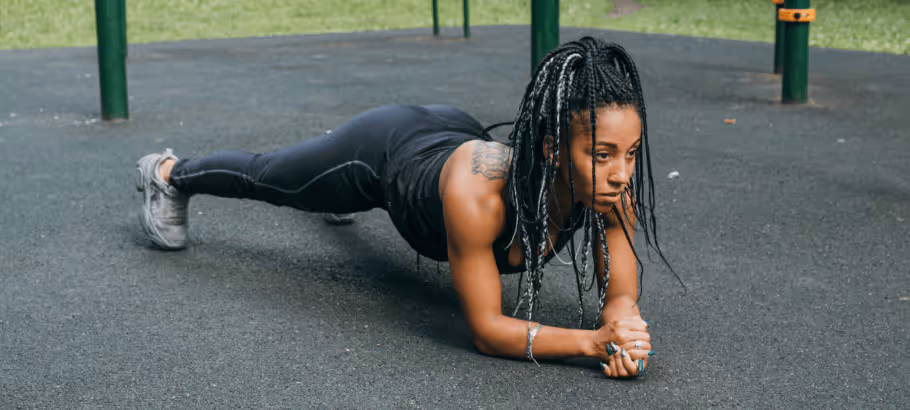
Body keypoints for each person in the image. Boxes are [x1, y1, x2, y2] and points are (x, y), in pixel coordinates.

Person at [135, 36, 673, 379]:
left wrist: (624, 326)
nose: (623, 172)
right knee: (275, 177)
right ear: (554, 149)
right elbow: (487, 329)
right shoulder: (478, 198)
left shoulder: (609, 186)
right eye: (602, 154)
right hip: (384, 151)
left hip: (452, 129)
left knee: (313, 184)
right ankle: (167, 173)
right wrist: (592, 344)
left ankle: (324, 183)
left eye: (630, 153)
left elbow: (619, 292)